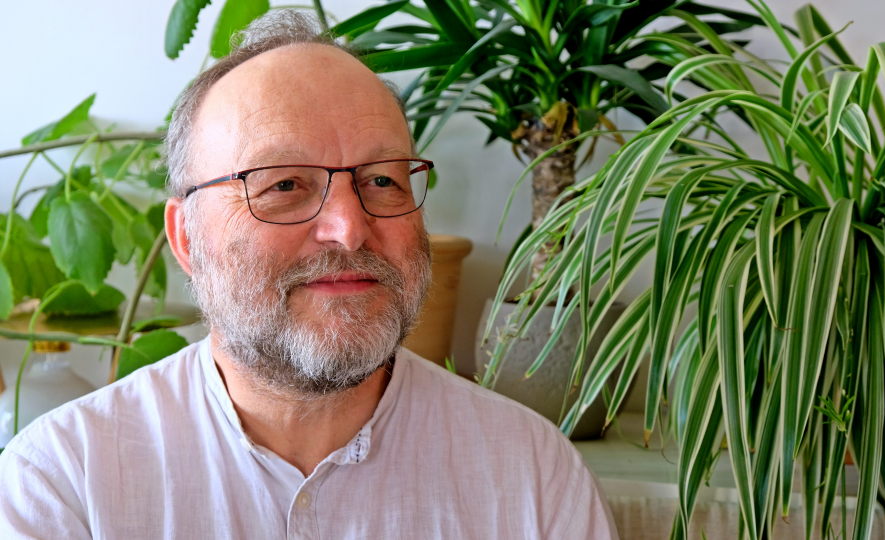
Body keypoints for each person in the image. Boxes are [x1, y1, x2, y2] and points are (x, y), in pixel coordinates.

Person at [0, 10, 616, 539]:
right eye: (284, 185)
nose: (349, 228)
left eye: (382, 179)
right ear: (187, 238)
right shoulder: (65, 484)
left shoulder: (531, 477)